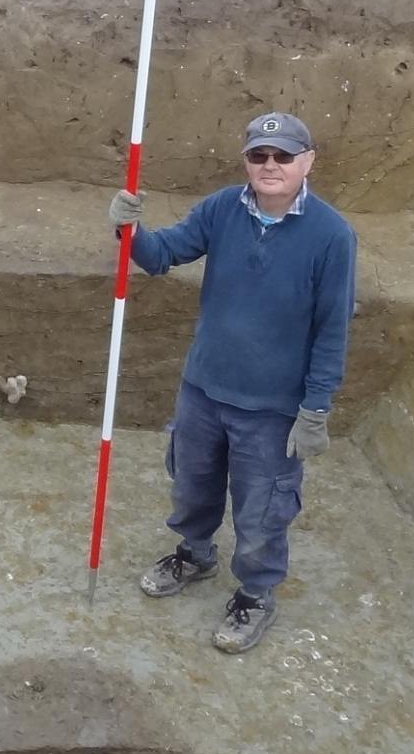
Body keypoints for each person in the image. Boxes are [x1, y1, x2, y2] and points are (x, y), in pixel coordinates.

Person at [106, 111, 355, 655]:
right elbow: (161, 256)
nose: (270, 165)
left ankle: (256, 594)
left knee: (262, 509)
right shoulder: (223, 208)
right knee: (192, 483)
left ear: (307, 162)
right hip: (203, 389)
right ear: (246, 160)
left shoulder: (332, 236)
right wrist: (130, 229)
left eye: (283, 156)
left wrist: (316, 407)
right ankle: (194, 555)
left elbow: (332, 327)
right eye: (258, 156)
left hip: (272, 408)